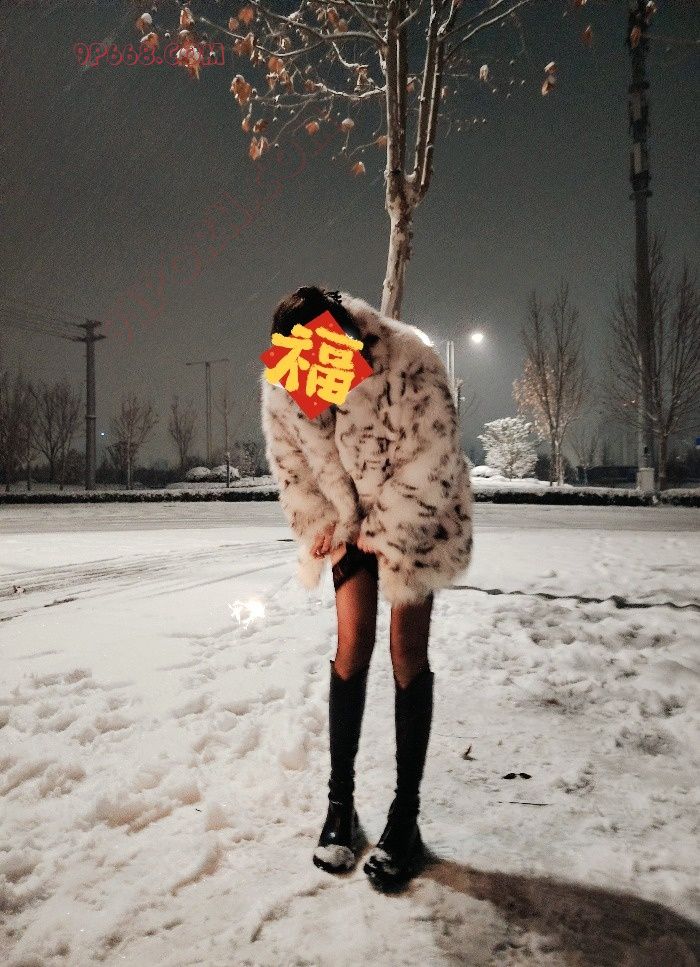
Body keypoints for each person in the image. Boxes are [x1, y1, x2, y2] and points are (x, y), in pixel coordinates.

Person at [260, 285, 473, 891]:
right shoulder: (289, 373)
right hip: (346, 514)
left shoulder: (409, 362)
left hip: (418, 516)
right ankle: (341, 808)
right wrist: (325, 524)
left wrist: (390, 529)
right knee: (352, 644)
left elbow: (434, 460)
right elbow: (293, 467)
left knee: (406, 652)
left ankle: (405, 820)